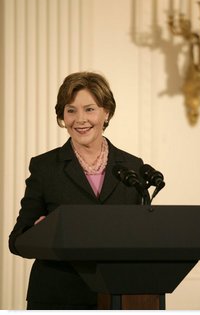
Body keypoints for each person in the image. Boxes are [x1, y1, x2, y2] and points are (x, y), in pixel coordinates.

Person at [9, 71, 143, 310]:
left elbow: (142, 235)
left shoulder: (134, 167)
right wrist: (41, 235)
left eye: (89, 109)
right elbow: (17, 240)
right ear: (62, 115)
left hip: (118, 297)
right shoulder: (44, 167)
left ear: (107, 112)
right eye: (71, 110)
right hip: (57, 297)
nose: (80, 119)